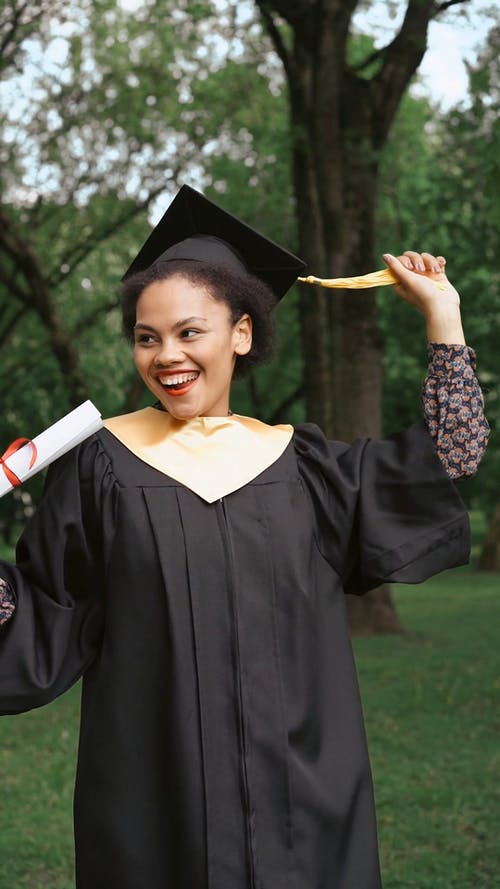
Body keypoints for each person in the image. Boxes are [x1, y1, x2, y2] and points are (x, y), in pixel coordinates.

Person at [0, 186, 489, 889]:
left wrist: (443, 313)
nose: (166, 354)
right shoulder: (101, 466)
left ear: (242, 332)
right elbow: (45, 610)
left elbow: (452, 456)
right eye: (147, 336)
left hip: (306, 810)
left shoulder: (304, 467)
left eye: (189, 331)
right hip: (153, 813)